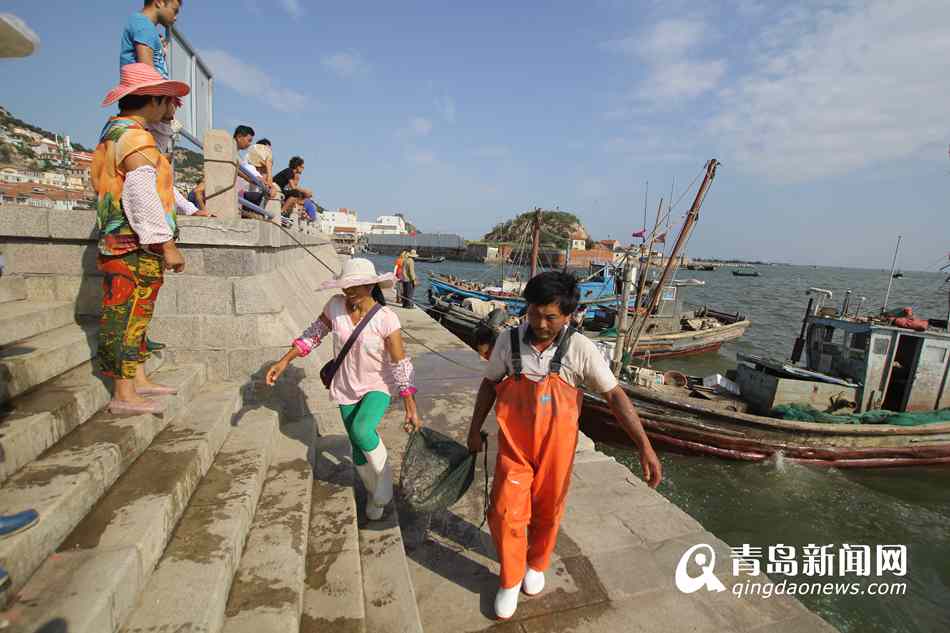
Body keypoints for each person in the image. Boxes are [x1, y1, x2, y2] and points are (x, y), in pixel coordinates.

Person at [465, 271, 662, 620]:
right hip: (514, 445)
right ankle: (510, 580)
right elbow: (488, 385)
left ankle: (537, 563)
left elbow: (615, 395)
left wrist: (644, 446)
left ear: (568, 316)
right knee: (504, 511)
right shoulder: (507, 342)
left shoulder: (581, 349)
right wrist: (474, 428)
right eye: (534, 313)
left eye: (550, 317)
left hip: (558, 448)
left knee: (548, 509)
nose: (540, 323)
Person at [266, 259, 421, 520]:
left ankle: (383, 481)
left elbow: (399, 362)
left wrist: (410, 405)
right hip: (345, 385)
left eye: (356, 286)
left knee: (362, 429)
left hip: (377, 385)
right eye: (346, 286)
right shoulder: (335, 306)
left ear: (371, 285)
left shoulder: (386, 319)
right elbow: (313, 335)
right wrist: (285, 360)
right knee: (357, 444)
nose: (349, 291)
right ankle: (374, 495)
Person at [94, 63, 190, 415]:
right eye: (169, 101)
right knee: (126, 313)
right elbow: (141, 193)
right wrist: (166, 244)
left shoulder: (120, 131)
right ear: (152, 99)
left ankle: (138, 378)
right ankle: (124, 392)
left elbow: (157, 163)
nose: (173, 108)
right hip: (132, 244)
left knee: (138, 314)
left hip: (129, 242)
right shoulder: (134, 138)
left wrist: (162, 123)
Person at [119, 0, 181, 79]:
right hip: (146, 90)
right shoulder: (144, 26)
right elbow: (147, 72)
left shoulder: (145, 26)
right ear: (159, 2)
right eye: (174, 11)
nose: (175, 18)